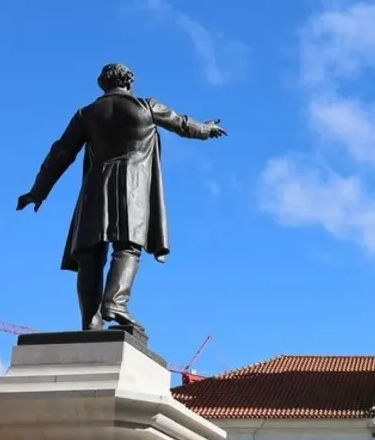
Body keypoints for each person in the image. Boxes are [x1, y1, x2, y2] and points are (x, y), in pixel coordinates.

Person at [17, 63, 227, 335]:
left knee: (90, 255)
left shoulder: (86, 114)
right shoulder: (146, 106)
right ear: (129, 82)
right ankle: (116, 303)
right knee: (127, 247)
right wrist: (207, 129)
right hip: (133, 186)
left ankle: (91, 322)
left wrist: (38, 190)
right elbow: (182, 125)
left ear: (102, 84)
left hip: (95, 187)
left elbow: (60, 153)